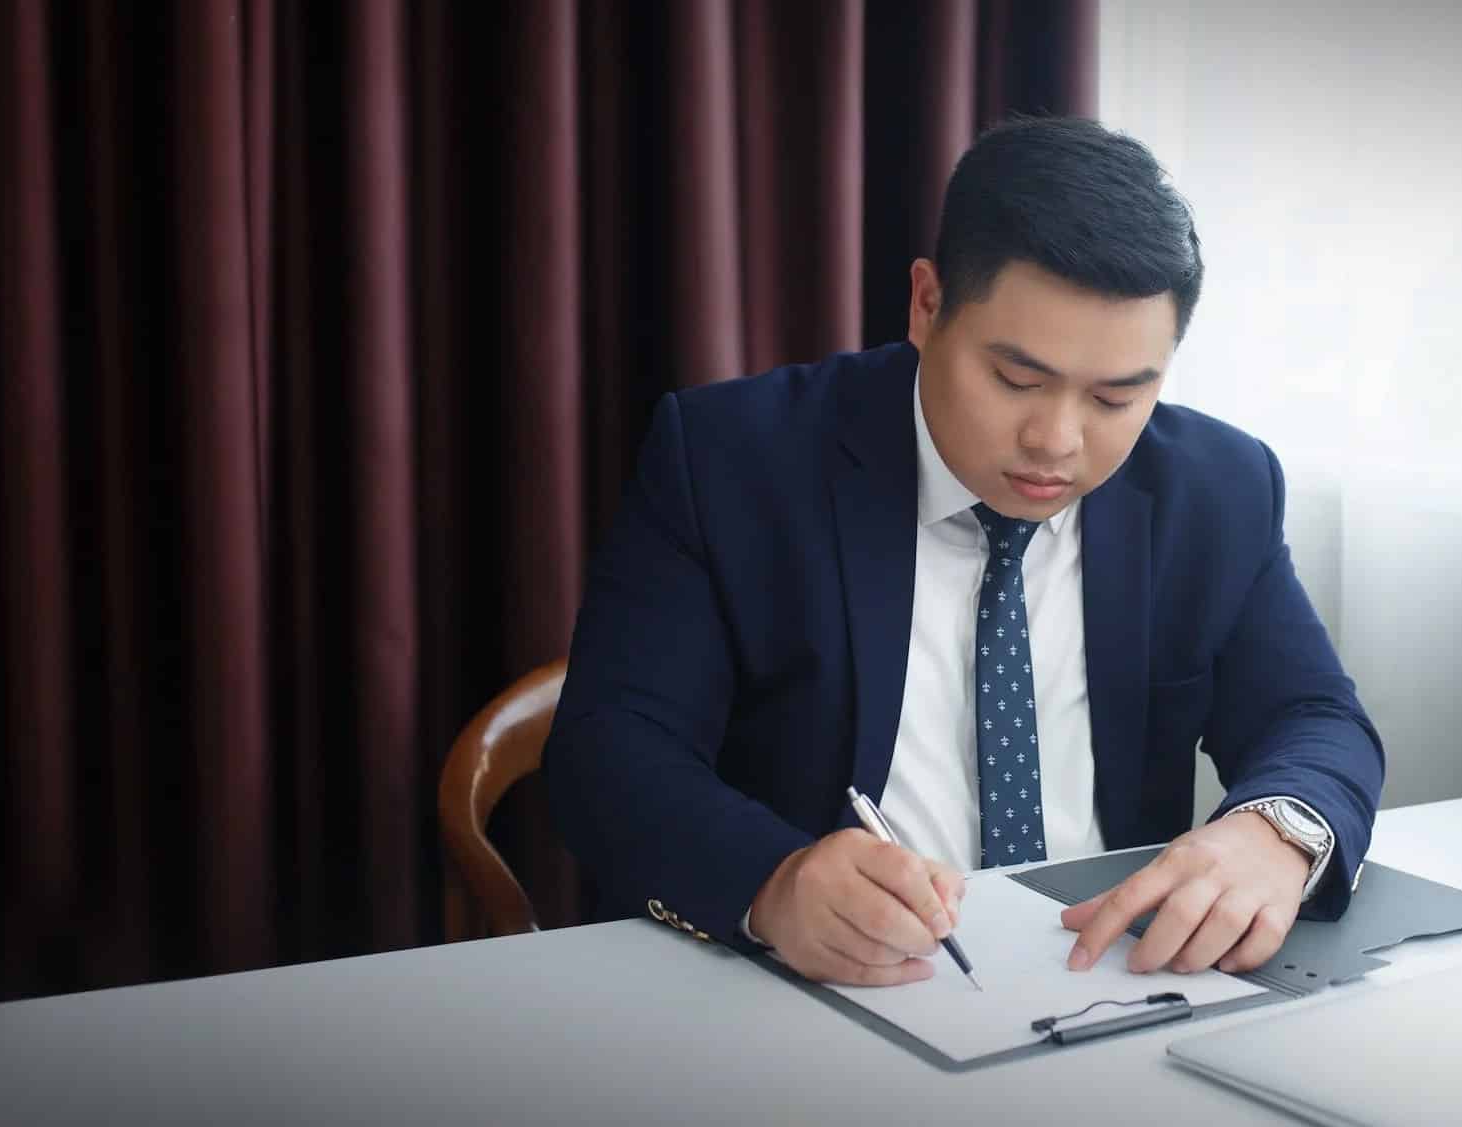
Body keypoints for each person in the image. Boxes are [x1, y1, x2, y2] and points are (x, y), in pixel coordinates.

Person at [545, 116, 1384, 987]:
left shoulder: (1218, 488)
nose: (1057, 440)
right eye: (1016, 380)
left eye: (1116, 396)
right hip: (815, 992)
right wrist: (774, 879)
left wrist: (1273, 833)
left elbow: (1314, 715)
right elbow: (610, 748)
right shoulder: (733, 459)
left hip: (1111, 986)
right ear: (927, 302)